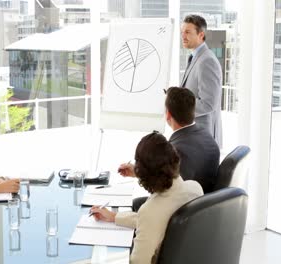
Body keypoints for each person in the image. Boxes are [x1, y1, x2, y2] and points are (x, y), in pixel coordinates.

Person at [91, 132, 203, 264]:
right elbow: (155, 220)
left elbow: (138, 261)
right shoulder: (195, 189)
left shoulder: (150, 211)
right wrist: (114, 217)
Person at [119, 87, 219, 211]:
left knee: (134, 205)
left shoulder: (176, 150)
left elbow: (165, 189)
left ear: (168, 114)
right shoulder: (206, 136)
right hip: (204, 206)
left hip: (182, 211)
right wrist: (138, 171)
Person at [180, 14, 223, 147]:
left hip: (203, 138)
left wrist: (179, 107)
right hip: (195, 136)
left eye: (187, 32)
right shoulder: (196, 57)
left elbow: (209, 103)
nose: (183, 36)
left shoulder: (207, 60)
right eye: (182, 32)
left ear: (201, 35)